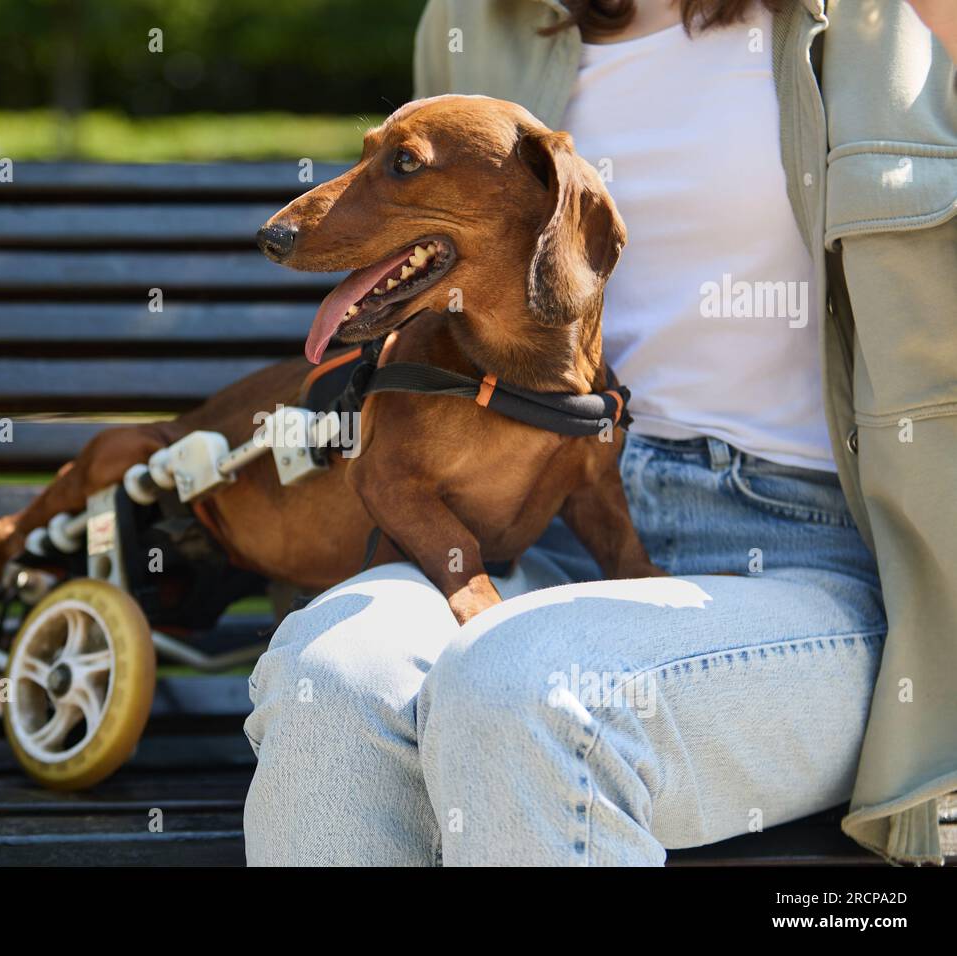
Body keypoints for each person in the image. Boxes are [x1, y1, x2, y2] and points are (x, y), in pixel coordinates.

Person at [242, 0, 957, 865]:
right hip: (544, 529)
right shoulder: (477, 21)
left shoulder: (884, 22)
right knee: (333, 678)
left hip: (800, 553)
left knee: (534, 691)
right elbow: (430, 261)